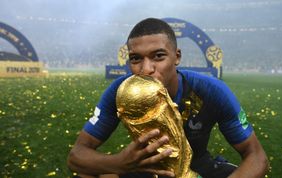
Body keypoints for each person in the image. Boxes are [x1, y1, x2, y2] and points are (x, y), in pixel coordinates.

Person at [67, 18, 268, 178]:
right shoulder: (120, 92)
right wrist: (119, 162)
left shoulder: (211, 91)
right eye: (136, 58)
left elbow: (257, 156)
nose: (146, 69)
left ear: (177, 57)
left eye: (158, 56)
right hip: (146, 168)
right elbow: (76, 156)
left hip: (197, 166)